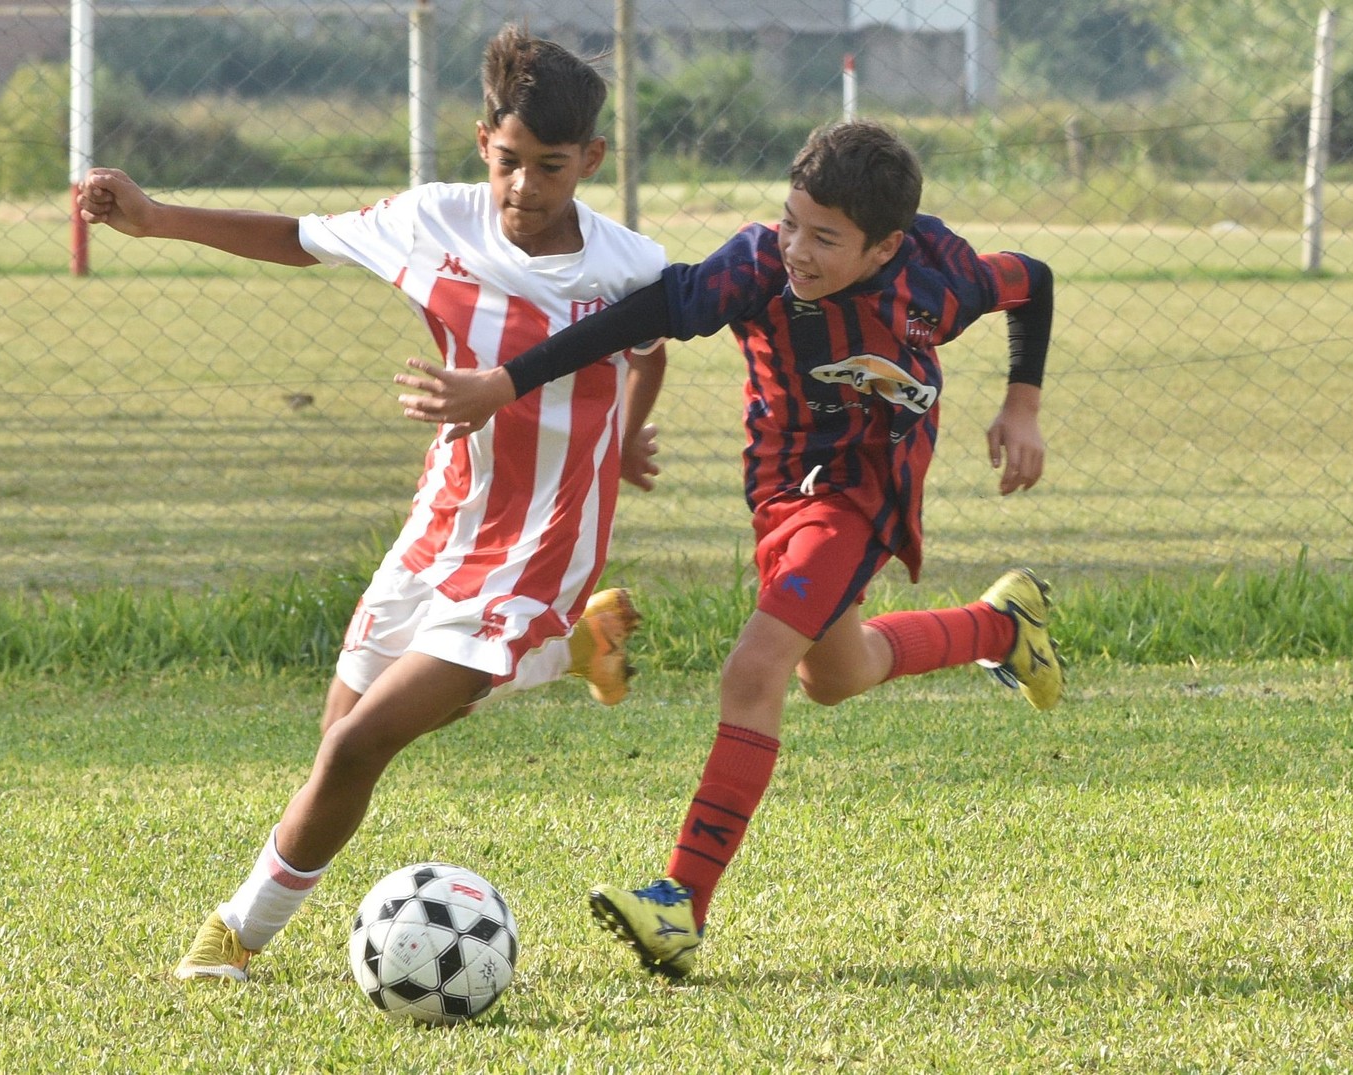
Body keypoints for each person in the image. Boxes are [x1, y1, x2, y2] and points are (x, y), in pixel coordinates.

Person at [396, 119, 1065, 980]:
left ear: (886, 245)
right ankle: (999, 625)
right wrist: (504, 381)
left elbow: (1032, 282)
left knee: (753, 669)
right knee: (836, 672)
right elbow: (646, 313)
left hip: (861, 490)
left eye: (824, 237)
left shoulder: (940, 272)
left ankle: (679, 901)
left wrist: (1023, 404)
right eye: (791, 221)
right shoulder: (755, 267)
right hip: (779, 490)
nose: (797, 248)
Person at [75, 24, 669, 982]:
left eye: (551, 169)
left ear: (590, 160)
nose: (524, 189)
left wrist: (628, 430)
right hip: (439, 529)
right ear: (484, 142)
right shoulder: (430, 219)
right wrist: (153, 217)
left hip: (541, 546)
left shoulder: (630, 266)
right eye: (509, 163)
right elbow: (298, 238)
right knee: (336, 746)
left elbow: (652, 343)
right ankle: (569, 649)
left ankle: (232, 938)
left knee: (358, 743)